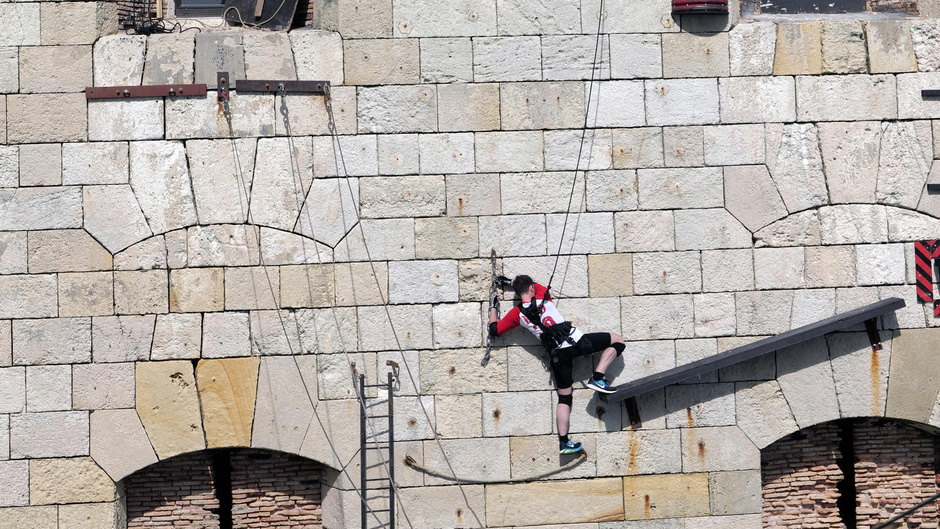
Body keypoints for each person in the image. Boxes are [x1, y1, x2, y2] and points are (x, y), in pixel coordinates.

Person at [488, 275, 625, 455]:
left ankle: (564, 442)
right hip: (577, 342)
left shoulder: (516, 314)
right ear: (531, 289)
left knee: (565, 398)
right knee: (618, 341)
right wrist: (509, 282)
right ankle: (598, 377)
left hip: (557, 356)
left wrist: (493, 306)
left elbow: (494, 330)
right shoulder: (542, 293)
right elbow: (528, 284)